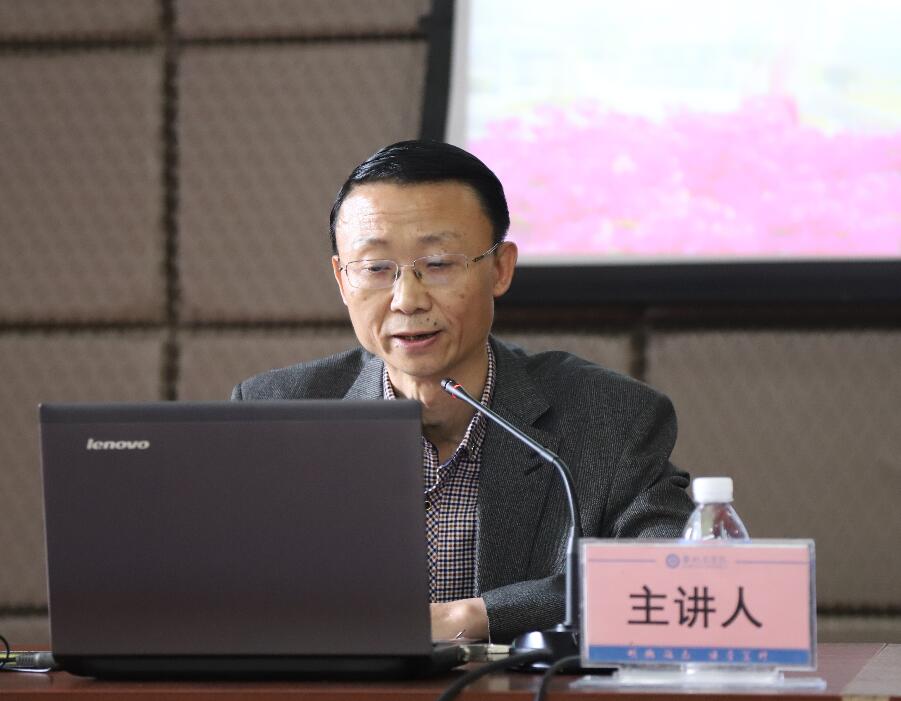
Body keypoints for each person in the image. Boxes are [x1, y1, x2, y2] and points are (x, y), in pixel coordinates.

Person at [232, 140, 693, 643]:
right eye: (376, 268)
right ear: (343, 281)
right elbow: (224, 593)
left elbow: (670, 580)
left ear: (500, 269)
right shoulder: (274, 413)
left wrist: (472, 618)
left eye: (438, 263)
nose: (407, 300)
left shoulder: (611, 418)